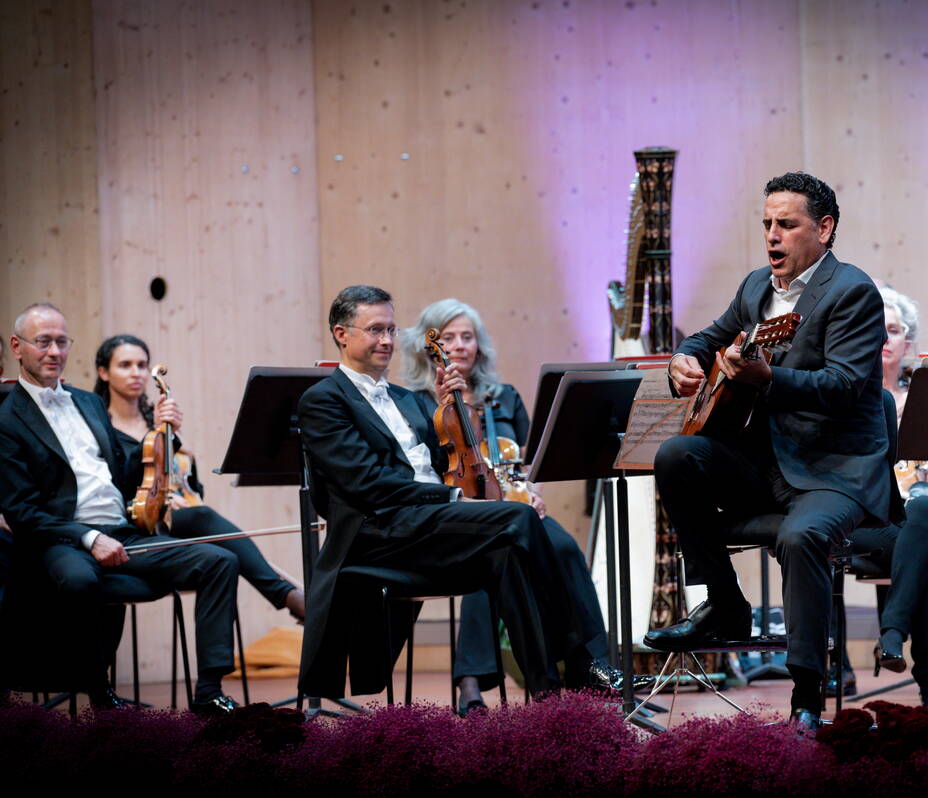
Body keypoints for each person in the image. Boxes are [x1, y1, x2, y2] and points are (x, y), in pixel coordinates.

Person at [642, 172, 904, 730]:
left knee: (802, 534)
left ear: (824, 228)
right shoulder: (756, 287)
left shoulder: (852, 291)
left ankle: (806, 693)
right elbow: (706, 338)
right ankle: (723, 601)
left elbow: (845, 388)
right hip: (768, 466)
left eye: (786, 224)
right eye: (767, 224)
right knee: (675, 456)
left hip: (835, 473)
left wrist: (766, 380)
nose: (772, 236)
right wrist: (682, 359)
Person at [296, 285, 584, 699]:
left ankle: (549, 694)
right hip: (379, 531)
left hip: (431, 527)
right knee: (516, 518)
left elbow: (450, 462)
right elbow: (366, 483)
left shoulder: (408, 399)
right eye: (376, 330)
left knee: (507, 555)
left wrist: (452, 403)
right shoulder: (323, 400)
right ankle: (579, 658)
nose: (388, 341)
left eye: (392, 330)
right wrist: (450, 500)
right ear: (342, 334)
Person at [402, 298, 642, 713]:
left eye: (468, 336)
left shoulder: (503, 397)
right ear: (431, 346)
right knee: (492, 556)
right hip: (459, 510)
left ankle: (595, 667)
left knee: (565, 547)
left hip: (513, 504)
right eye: (449, 337)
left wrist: (531, 490)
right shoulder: (417, 403)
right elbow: (428, 463)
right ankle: (471, 683)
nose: (460, 346)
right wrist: (447, 406)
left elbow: (528, 460)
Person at [0, 303, 240, 713]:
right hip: (62, 538)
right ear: (18, 347)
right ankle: (99, 694)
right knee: (79, 581)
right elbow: (22, 512)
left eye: (61, 341)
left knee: (220, 560)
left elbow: (127, 474)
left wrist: (163, 434)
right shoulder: (6, 419)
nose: (54, 351)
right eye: (43, 342)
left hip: (123, 530)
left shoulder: (88, 404)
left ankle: (209, 693)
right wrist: (89, 538)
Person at [93, 334, 305, 621]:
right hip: (132, 527)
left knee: (213, 536)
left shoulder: (158, 421)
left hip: (174, 527)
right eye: (125, 365)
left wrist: (171, 441)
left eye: (142, 365)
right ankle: (287, 595)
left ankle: (287, 598)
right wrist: (163, 497)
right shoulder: (97, 426)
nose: (136, 373)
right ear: (104, 372)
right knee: (203, 518)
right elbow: (109, 487)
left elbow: (192, 486)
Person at [842, 286, 928, 709]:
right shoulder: (848, 402)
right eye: (875, 330)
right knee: (927, 545)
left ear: (908, 341)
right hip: (881, 527)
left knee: (925, 510)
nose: (885, 339)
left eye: (894, 330)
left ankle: (892, 631)